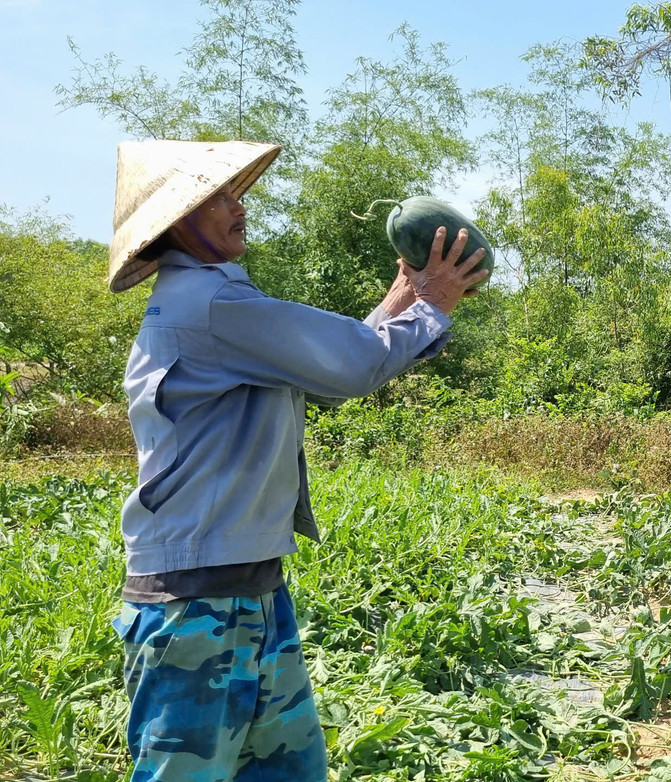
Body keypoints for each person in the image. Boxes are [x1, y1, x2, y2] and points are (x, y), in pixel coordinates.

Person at [106, 139, 489, 781]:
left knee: (287, 771)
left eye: (236, 192)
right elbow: (352, 365)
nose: (239, 206)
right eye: (218, 196)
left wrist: (401, 305)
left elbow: (331, 361)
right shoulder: (211, 306)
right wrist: (433, 305)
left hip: (246, 587)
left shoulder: (216, 305)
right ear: (175, 221)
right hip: (196, 601)